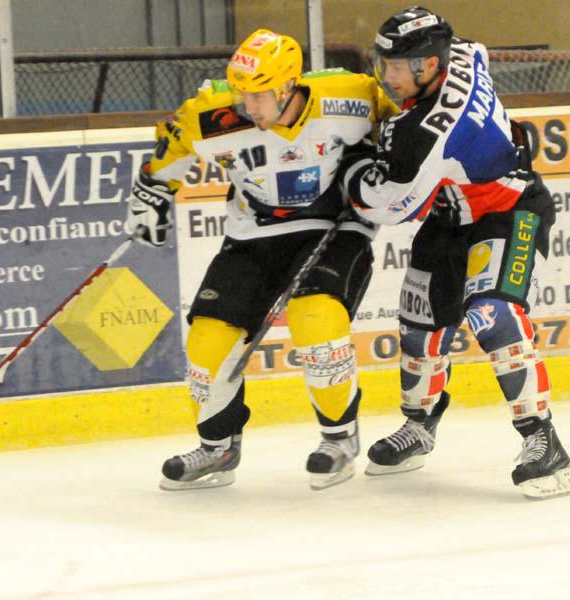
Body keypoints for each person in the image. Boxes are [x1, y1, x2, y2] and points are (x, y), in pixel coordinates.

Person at [125, 29, 397, 491]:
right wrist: (152, 192)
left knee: (316, 318)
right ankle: (218, 448)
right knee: (208, 341)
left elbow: (394, 125)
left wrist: (386, 174)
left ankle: (339, 439)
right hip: (254, 232)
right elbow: (173, 142)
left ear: (288, 87)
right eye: (241, 95)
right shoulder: (211, 114)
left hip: (333, 225)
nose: (247, 107)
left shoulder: (348, 96)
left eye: (259, 96)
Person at [340, 7, 570, 499]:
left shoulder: (424, 133)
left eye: (398, 67)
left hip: (509, 211)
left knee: (494, 313)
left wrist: (356, 163)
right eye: (384, 63)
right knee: (419, 324)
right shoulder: (463, 53)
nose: (387, 77)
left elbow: (388, 205)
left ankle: (542, 439)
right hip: (450, 218)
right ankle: (419, 426)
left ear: (430, 65)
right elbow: (478, 54)